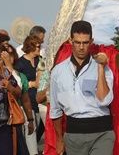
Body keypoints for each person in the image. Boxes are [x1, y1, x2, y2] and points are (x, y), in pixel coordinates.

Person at [49, 20, 115, 155]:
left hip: (102, 133)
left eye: (85, 43)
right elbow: (55, 110)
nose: (81, 47)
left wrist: (101, 67)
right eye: (77, 42)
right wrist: (59, 139)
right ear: (70, 41)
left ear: (91, 42)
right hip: (73, 135)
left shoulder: (103, 68)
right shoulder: (58, 71)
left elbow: (104, 100)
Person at [14, 35, 43, 154]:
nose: (39, 48)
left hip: (41, 101)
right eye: (37, 46)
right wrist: (31, 84)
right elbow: (17, 82)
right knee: (31, 131)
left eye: (40, 46)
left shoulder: (41, 60)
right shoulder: (20, 63)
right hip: (27, 101)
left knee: (40, 130)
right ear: (30, 47)